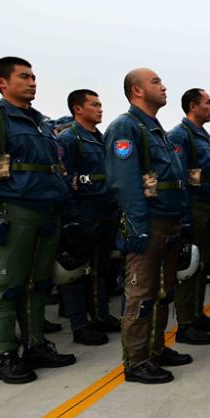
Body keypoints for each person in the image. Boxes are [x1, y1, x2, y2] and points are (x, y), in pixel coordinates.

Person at [0, 57, 75, 384]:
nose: (32, 82)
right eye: (24, 76)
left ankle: (36, 343)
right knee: (6, 286)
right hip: (14, 214)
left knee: (38, 285)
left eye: (34, 76)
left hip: (47, 214)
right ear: (1, 82)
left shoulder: (40, 123)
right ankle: (7, 354)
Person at [104, 68, 192, 384]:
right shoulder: (126, 128)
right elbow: (124, 183)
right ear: (137, 90)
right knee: (141, 294)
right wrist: (138, 227)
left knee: (162, 292)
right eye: (156, 82)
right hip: (149, 223)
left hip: (167, 221)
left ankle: (155, 349)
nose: (164, 86)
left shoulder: (155, 130)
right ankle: (137, 361)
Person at [56, 90, 123, 346]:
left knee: (100, 269)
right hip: (83, 213)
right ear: (78, 109)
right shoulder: (70, 139)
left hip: (105, 212)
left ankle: (100, 315)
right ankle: (80, 324)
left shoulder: (101, 139)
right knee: (76, 272)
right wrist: (71, 217)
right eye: (94, 105)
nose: (100, 109)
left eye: (100, 104)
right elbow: (64, 179)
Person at [167, 89, 210, 342]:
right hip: (193, 207)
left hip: (208, 205)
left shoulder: (203, 136)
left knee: (202, 265)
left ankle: (197, 314)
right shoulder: (180, 135)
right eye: (208, 102)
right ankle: (185, 323)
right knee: (188, 267)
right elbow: (179, 176)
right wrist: (185, 218)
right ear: (193, 106)